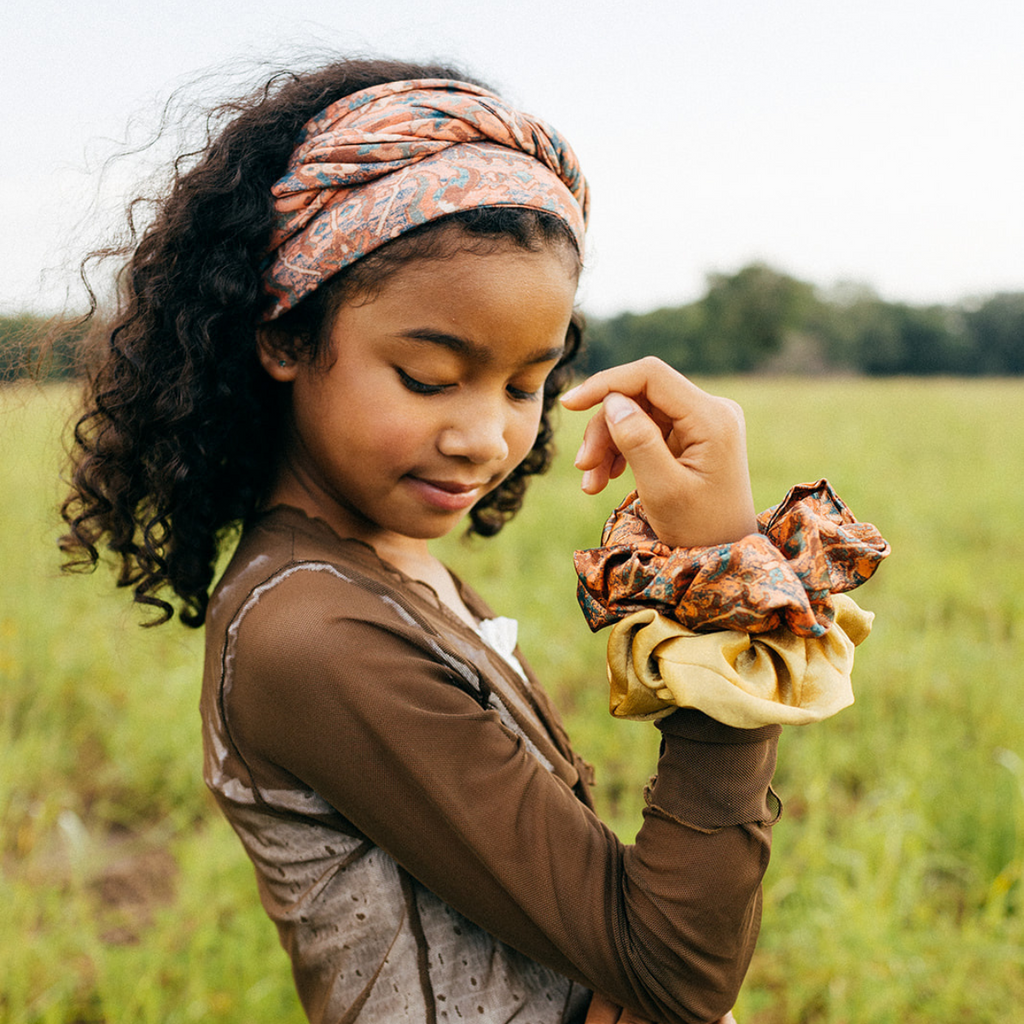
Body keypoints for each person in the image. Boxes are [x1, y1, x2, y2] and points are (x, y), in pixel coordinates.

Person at [61, 57, 887, 1024]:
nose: (485, 437)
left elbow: (611, 946)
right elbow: (674, 967)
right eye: (427, 377)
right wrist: (723, 589)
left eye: (525, 384)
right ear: (283, 337)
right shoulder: (312, 634)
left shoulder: (393, 569)